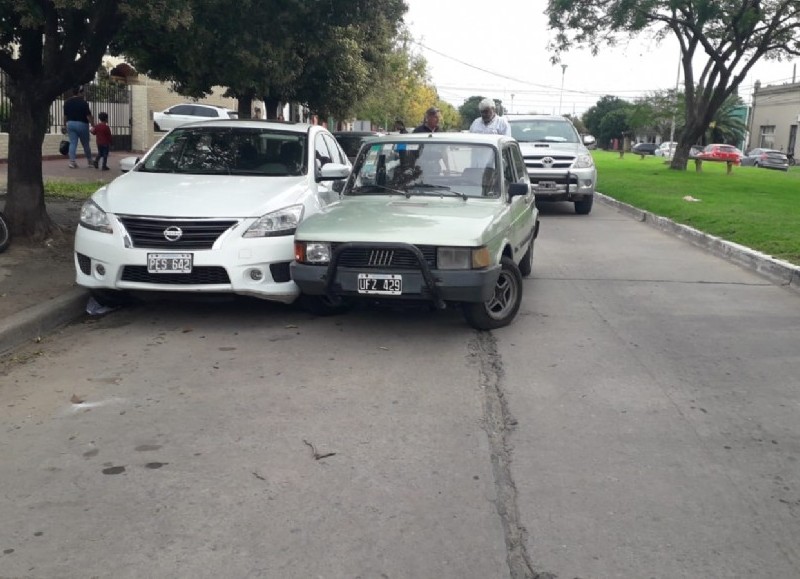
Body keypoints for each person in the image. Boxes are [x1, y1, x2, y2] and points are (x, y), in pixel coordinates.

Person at [62, 86, 94, 168]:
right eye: (82, 92)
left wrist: (64, 125)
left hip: (71, 124)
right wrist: (93, 124)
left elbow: (65, 116)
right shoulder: (83, 103)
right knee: (86, 144)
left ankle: (72, 162)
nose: (83, 94)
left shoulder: (67, 102)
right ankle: (90, 161)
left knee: (73, 143)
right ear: (79, 92)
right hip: (82, 124)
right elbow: (88, 116)